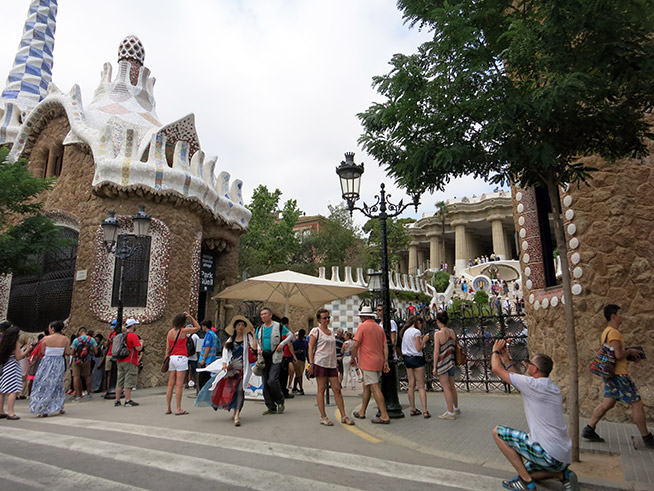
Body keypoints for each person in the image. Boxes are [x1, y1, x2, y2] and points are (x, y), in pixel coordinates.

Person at [491, 339, 576, 491]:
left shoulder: (533, 385)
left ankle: (525, 482)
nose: (527, 364)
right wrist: (506, 360)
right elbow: (517, 380)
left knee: (497, 432)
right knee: (525, 469)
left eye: (530, 363)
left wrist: (495, 351)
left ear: (535, 369)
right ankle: (562, 475)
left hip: (548, 454)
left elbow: (496, 369)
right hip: (563, 455)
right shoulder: (549, 386)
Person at [582, 304, 654, 448]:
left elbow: (615, 353)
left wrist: (629, 352)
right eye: (621, 313)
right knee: (637, 404)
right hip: (619, 375)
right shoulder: (614, 333)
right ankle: (647, 438)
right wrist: (630, 351)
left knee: (607, 403)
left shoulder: (606, 332)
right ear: (613, 316)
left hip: (611, 375)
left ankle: (589, 428)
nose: (623, 316)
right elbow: (618, 354)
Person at [306, 309, 355, 426]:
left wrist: (336, 363)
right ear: (319, 319)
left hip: (332, 364)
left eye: (328, 317)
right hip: (320, 362)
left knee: (337, 389)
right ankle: (323, 416)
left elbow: (333, 349)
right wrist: (311, 364)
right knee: (321, 389)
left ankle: (344, 415)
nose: (327, 320)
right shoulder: (315, 331)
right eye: (324, 318)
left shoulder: (331, 332)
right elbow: (310, 347)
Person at [210, 315, 256, 426]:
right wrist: (225, 363)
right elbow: (225, 352)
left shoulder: (247, 337)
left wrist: (253, 335)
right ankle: (235, 410)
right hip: (232, 370)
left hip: (243, 369)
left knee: (241, 390)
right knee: (232, 391)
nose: (240, 327)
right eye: (238, 325)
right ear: (235, 327)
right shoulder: (230, 340)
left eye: (242, 325)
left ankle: (237, 415)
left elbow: (255, 348)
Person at [350, 306, 390, 424]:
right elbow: (385, 345)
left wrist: (353, 357)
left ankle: (384, 415)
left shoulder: (362, 327)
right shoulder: (379, 328)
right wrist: (386, 360)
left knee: (374, 387)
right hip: (379, 361)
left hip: (368, 362)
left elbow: (355, 345)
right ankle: (362, 411)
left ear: (363, 317)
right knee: (366, 386)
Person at [256, 307, 293, 415]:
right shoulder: (260, 328)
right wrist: (258, 348)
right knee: (265, 383)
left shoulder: (278, 326)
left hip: (275, 357)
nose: (263, 316)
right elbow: (257, 340)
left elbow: (290, 335)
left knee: (272, 380)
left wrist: (282, 344)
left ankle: (280, 401)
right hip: (263, 358)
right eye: (261, 314)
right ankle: (271, 406)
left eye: (265, 314)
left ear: (270, 315)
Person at [29, 320, 71, 417]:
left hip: (47, 361)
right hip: (59, 362)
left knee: (43, 383)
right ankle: (59, 406)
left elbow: (43, 352)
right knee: (58, 384)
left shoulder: (46, 339)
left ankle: (42, 407)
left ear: (52, 328)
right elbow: (68, 352)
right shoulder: (65, 339)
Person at [165, 312, 201, 415]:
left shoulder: (170, 332)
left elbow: (167, 348)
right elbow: (197, 327)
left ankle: (168, 407)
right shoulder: (183, 331)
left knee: (170, 384)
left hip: (172, 357)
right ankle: (178, 408)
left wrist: (166, 359)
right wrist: (191, 317)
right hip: (181, 357)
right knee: (179, 385)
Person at [400, 316, 430, 418]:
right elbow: (418, 348)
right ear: (417, 322)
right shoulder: (416, 332)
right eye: (421, 324)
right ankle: (425, 411)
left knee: (411, 385)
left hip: (407, 359)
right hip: (417, 359)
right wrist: (424, 340)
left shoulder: (406, 332)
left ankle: (413, 409)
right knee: (421, 386)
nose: (421, 326)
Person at [433, 311, 460, 419]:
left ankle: (450, 412)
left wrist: (434, 367)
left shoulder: (438, 334)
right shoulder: (452, 332)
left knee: (446, 388)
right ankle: (456, 408)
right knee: (452, 386)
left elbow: (436, 351)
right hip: (452, 362)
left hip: (442, 363)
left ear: (438, 321)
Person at [0, 322, 30, 420]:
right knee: (13, 390)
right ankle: (11, 412)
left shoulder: (4, 342)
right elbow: (19, 357)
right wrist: (27, 350)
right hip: (13, 366)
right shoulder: (15, 344)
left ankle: (1, 411)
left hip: (5, 366)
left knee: (2, 390)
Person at [114, 319, 143, 407]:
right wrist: (141, 343)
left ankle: (117, 400)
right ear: (133, 325)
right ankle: (128, 400)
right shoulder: (133, 336)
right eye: (135, 325)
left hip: (120, 360)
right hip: (130, 360)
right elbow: (138, 348)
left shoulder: (121, 335)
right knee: (129, 380)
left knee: (120, 380)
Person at [70, 326, 98, 401]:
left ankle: (78, 395)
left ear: (79, 332)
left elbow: (71, 352)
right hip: (87, 360)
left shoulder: (76, 340)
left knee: (76, 377)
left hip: (77, 360)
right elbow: (96, 351)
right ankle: (89, 394)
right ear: (86, 332)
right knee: (87, 376)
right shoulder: (91, 339)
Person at [198, 319, 220, 392]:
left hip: (207, 359)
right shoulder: (214, 334)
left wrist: (203, 358)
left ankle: (203, 391)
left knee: (203, 377)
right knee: (207, 376)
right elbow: (218, 346)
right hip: (212, 358)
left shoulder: (209, 335)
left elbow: (208, 347)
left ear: (204, 326)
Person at [279, 317, 297, 399]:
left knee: (280, 374)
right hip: (285, 355)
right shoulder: (285, 331)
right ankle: (283, 391)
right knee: (284, 374)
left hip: (279, 355)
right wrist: (294, 356)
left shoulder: (278, 330)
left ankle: (282, 390)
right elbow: (290, 345)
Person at [291, 329, 308, 395]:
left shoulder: (305, 342)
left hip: (303, 359)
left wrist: (309, 360)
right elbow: (291, 351)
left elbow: (307, 351)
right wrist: (296, 352)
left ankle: (294, 387)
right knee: (300, 374)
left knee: (299, 374)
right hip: (297, 360)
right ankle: (301, 388)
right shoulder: (294, 342)